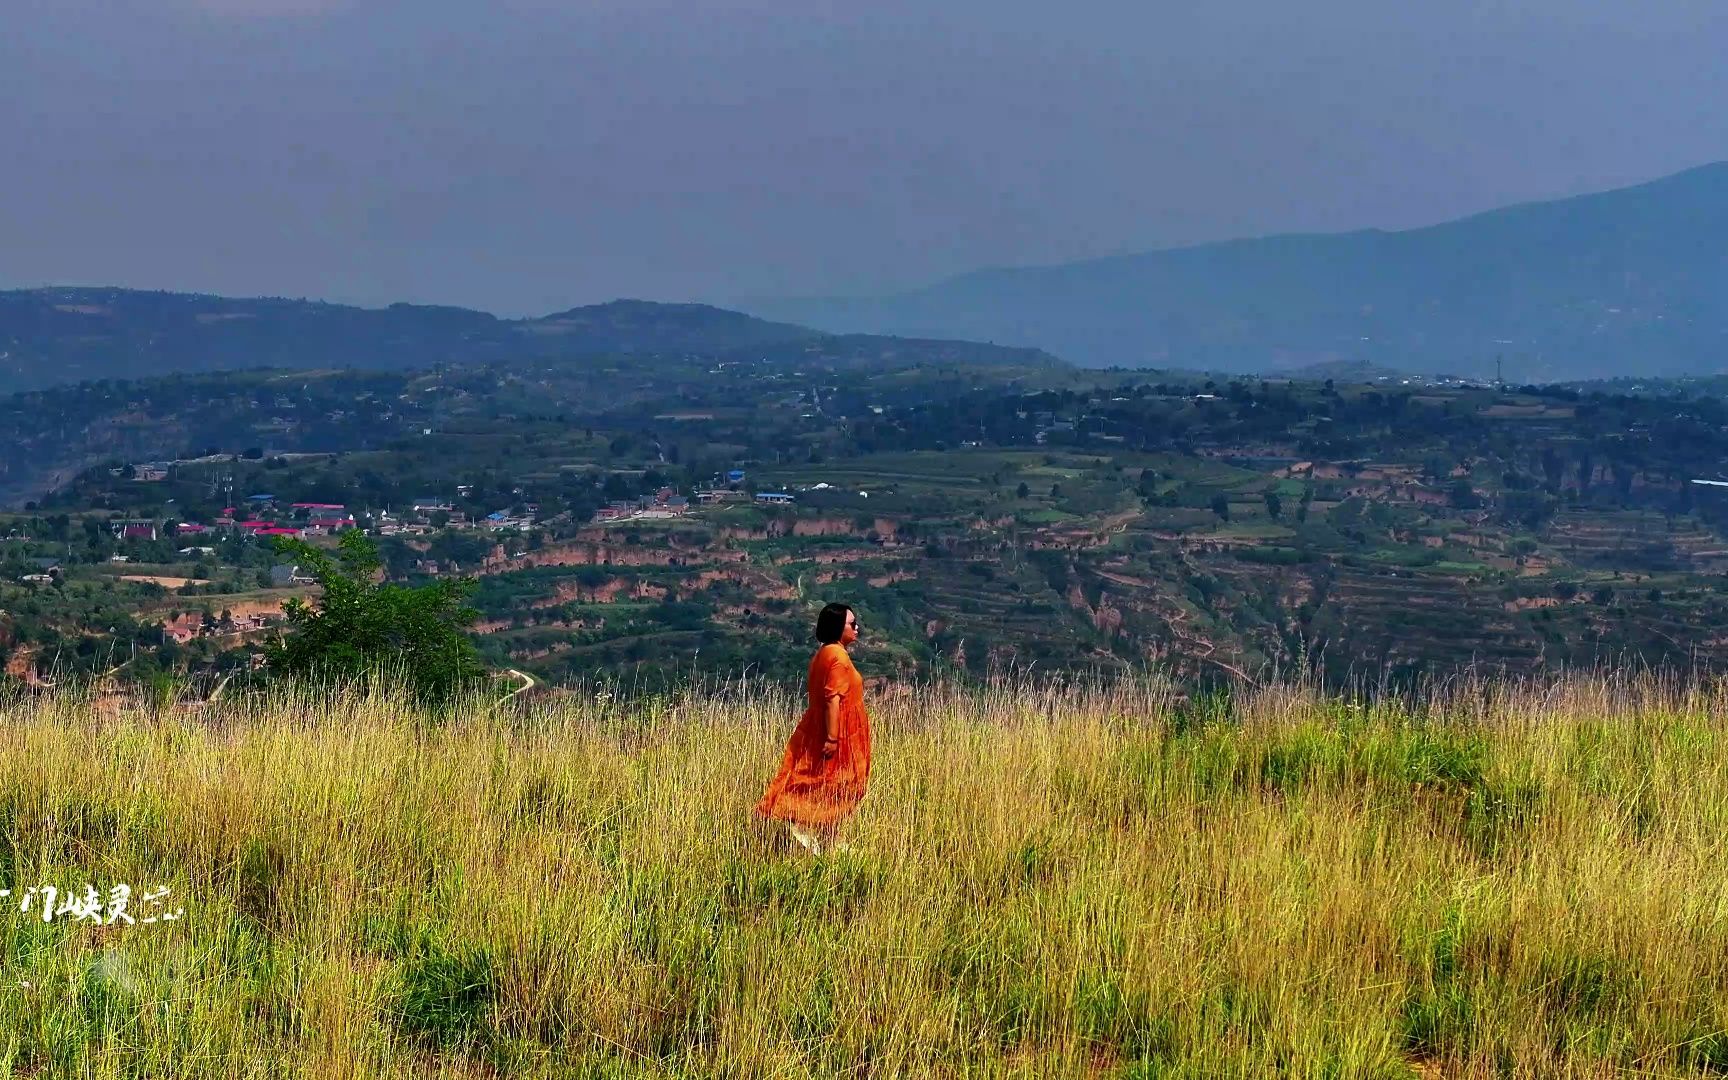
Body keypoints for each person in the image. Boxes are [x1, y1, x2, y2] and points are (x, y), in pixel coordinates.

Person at [754, 602, 872, 854]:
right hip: (837, 733)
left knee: (822, 781)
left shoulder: (824, 653)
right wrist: (832, 737)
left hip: (825, 728)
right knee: (839, 784)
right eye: (852, 624)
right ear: (838, 627)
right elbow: (833, 699)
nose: (857, 627)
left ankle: (826, 837)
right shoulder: (837, 656)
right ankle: (807, 829)